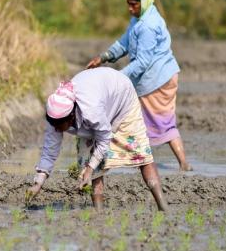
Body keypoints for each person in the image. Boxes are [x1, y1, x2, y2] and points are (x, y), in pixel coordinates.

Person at [26, 67, 168, 211]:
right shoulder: (54, 115)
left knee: (141, 154)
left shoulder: (90, 109)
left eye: (60, 126)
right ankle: (98, 213)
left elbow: (104, 137)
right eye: (54, 125)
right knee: (90, 161)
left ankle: (163, 207)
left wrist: (89, 169)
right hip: (99, 99)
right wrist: (38, 183)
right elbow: (50, 150)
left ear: (71, 116)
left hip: (122, 98)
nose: (56, 129)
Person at [87, 0, 192, 171]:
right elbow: (124, 43)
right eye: (128, 4)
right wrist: (103, 57)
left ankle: (176, 164)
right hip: (154, 78)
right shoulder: (139, 19)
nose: (129, 8)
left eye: (133, 4)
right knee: (152, 120)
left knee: (155, 120)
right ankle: (174, 163)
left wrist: (117, 78)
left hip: (158, 81)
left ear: (144, 2)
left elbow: (142, 62)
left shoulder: (148, 25)